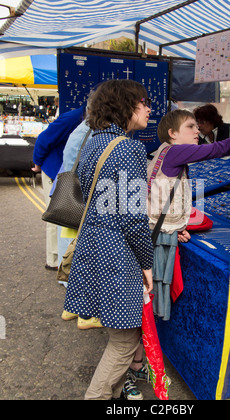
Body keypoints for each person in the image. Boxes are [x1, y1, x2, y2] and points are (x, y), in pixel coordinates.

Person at [63, 80, 154, 401]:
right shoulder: (129, 149)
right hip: (118, 253)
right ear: (126, 106)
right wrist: (147, 263)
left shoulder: (93, 143)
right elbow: (132, 217)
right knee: (124, 341)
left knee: (119, 334)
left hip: (93, 247)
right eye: (144, 102)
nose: (149, 108)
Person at [147, 109, 230, 321]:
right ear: (173, 133)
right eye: (190, 126)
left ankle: (148, 337)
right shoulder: (175, 152)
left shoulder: (162, 153)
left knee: (158, 285)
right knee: (159, 288)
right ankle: (151, 338)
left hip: (159, 229)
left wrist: (176, 227)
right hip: (160, 234)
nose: (197, 131)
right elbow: (216, 149)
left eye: (197, 126)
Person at [32, 105, 86, 270]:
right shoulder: (72, 118)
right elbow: (43, 139)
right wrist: (37, 164)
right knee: (55, 214)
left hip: (64, 171)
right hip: (54, 170)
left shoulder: (82, 117)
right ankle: (54, 260)